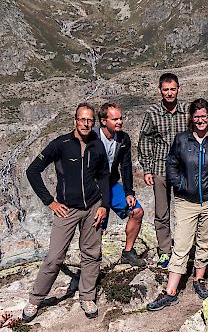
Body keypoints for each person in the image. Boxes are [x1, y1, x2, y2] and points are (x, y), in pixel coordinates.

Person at [23, 103, 110, 321]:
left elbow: (104, 177)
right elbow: (32, 170)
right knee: (54, 257)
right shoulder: (60, 144)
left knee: (91, 253)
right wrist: (50, 202)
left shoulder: (97, 146)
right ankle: (35, 300)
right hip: (66, 210)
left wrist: (104, 205)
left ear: (93, 122)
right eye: (82, 119)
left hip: (92, 207)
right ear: (75, 120)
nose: (86, 123)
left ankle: (87, 296)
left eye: (89, 120)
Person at [147, 99, 208, 311]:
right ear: (191, 118)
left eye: (204, 116)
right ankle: (170, 291)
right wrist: (180, 184)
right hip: (186, 201)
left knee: (207, 241)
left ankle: (198, 279)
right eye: (196, 116)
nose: (200, 120)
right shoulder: (182, 140)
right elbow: (171, 164)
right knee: (182, 244)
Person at [138, 73, 189, 268]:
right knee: (162, 212)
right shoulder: (152, 113)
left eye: (173, 89)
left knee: (186, 211)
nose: (169, 93)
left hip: (184, 169)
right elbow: (145, 140)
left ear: (178, 89)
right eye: (166, 89)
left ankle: (183, 249)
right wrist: (147, 169)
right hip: (160, 168)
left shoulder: (187, 111)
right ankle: (165, 251)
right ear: (160, 90)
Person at [95, 102, 146, 266]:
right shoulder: (91, 137)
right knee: (97, 224)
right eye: (115, 119)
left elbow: (126, 166)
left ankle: (128, 252)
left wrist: (129, 192)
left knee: (137, 212)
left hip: (111, 184)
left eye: (120, 118)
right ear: (104, 121)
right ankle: (92, 262)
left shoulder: (123, 138)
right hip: (94, 187)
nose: (119, 122)